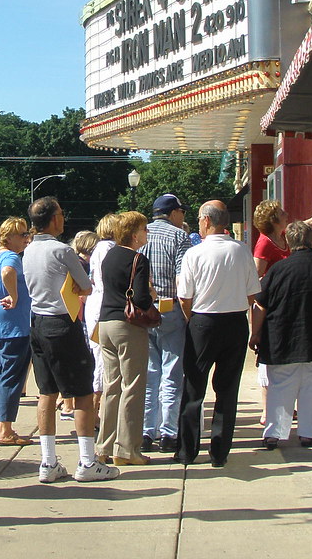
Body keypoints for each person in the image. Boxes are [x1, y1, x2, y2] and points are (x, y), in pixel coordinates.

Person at [23, 196, 118, 483]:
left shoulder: (27, 252)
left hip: (38, 322)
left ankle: (48, 462)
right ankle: (87, 462)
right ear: (53, 219)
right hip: (63, 323)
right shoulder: (62, 251)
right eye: (61, 214)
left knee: (47, 393)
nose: (64, 218)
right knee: (82, 394)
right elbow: (87, 285)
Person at [250, 221, 312, 449]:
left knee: (280, 386)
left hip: (283, 338)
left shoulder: (278, 270)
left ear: (288, 241)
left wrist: (255, 334)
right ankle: (309, 432)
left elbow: (260, 304)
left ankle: (274, 433)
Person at [173, 201, 261, 468]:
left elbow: (184, 296)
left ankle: (187, 450)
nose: (199, 223)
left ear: (207, 221)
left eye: (200, 218)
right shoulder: (242, 251)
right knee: (227, 390)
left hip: (203, 321)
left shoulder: (195, 254)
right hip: (234, 322)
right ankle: (220, 452)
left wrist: (193, 320)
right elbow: (252, 294)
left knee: (193, 389)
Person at [96, 211, 155, 465]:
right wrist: (152, 294)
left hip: (105, 323)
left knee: (112, 386)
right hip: (127, 325)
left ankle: (103, 446)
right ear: (134, 234)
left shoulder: (108, 256)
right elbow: (141, 299)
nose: (147, 233)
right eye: (144, 229)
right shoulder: (138, 259)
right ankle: (127, 448)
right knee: (133, 385)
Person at [140, 193, 192, 454]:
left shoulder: (139, 234)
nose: (183, 216)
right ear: (172, 213)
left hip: (142, 311)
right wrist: (188, 313)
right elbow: (183, 280)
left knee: (150, 374)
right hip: (169, 308)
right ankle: (168, 433)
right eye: (181, 211)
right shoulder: (179, 237)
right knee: (172, 372)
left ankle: (146, 431)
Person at [0, 218, 34, 446]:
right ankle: (6, 430)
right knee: (13, 375)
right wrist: (14, 296)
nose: (26, 238)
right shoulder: (11, 257)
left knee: (2, 372)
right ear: (9, 237)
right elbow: (7, 272)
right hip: (12, 325)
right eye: (22, 235)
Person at [58, 230, 98, 421]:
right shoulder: (81, 265)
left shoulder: (77, 262)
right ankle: (69, 405)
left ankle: (67, 403)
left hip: (76, 315)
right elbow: (83, 291)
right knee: (80, 362)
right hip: (79, 316)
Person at [84, 214, 120, 423]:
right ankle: (95, 411)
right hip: (102, 306)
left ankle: (96, 410)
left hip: (96, 304)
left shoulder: (99, 249)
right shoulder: (108, 249)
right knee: (102, 359)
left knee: (101, 357)